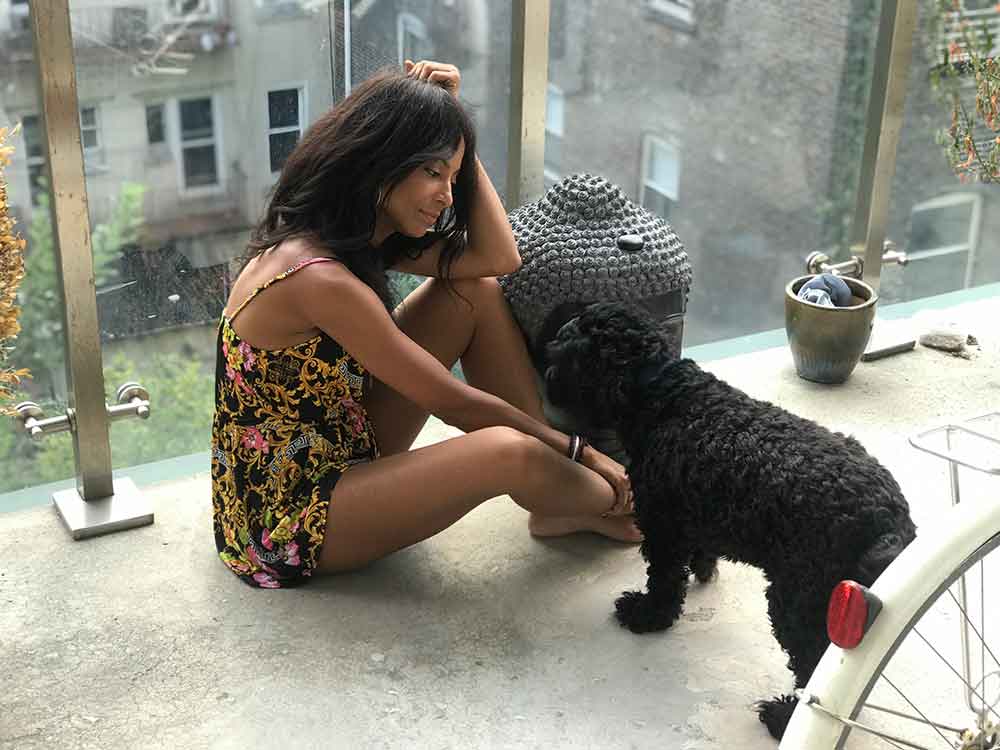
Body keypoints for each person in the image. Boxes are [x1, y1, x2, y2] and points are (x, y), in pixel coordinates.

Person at [211, 60, 640, 589]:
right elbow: (455, 404)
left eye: (453, 177)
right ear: (379, 163)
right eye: (433, 173)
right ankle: (601, 497)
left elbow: (497, 258)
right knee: (506, 450)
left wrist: (453, 128)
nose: (446, 195)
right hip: (292, 518)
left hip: (342, 443)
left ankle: (553, 498)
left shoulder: (354, 235)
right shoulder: (317, 277)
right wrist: (585, 453)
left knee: (470, 293)